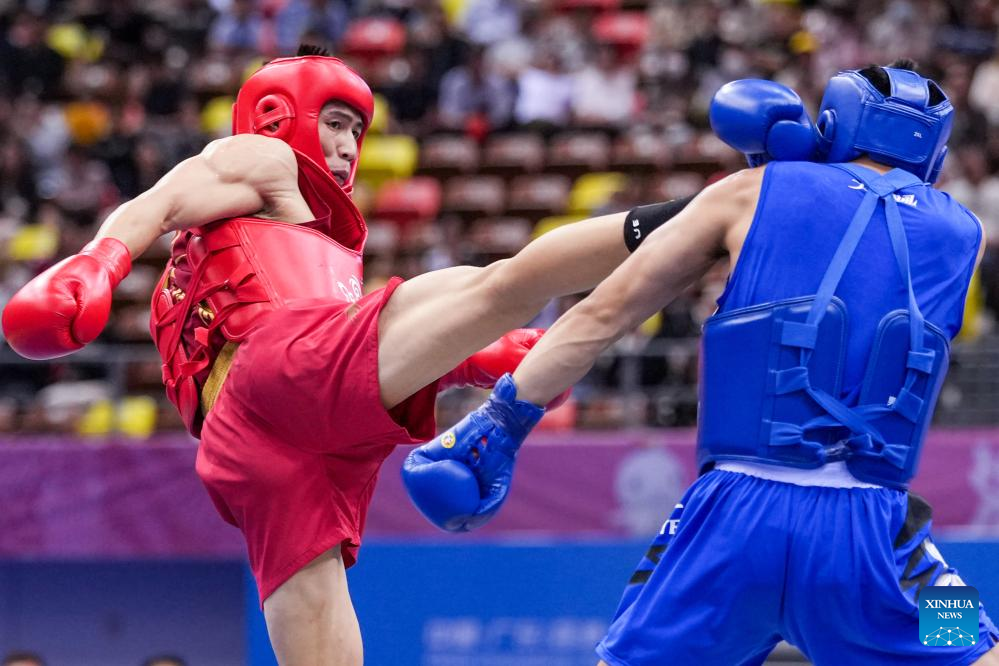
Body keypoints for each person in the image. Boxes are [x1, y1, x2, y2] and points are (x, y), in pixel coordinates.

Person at [0, 45, 657, 665]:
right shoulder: (269, 161)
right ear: (277, 117)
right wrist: (99, 260)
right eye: (335, 123)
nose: (347, 147)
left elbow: (357, 358)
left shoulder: (318, 243)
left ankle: (675, 235)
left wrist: (467, 361)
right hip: (274, 379)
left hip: (257, 444)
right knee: (498, 287)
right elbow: (165, 199)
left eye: (356, 132)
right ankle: (680, 222)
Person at [402, 62, 999, 665]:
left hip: (728, 521)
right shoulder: (965, 234)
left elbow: (602, 314)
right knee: (975, 647)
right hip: (879, 535)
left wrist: (499, 421)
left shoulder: (752, 191)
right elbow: (873, 228)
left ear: (832, 126)